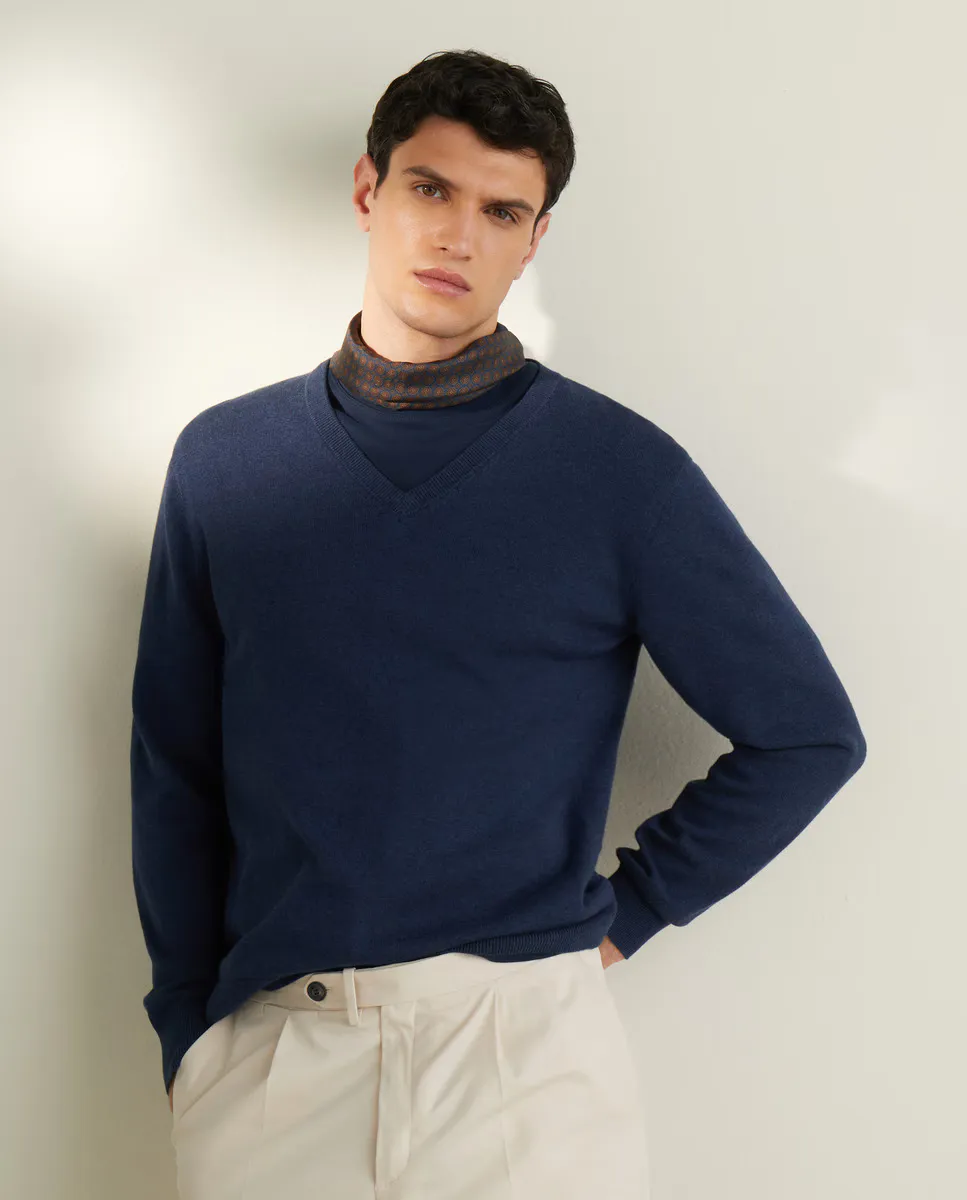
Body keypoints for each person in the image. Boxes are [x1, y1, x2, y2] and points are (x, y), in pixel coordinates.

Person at [130, 48, 866, 1199]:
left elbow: (808, 734)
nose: (457, 236)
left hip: (524, 1067)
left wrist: (631, 912)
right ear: (368, 188)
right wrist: (190, 1033)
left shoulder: (618, 473)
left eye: (501, 211)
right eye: (430, 188)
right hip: (276, 1063)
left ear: (534, 239)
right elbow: (174, 765)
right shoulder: (225, 462)